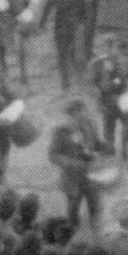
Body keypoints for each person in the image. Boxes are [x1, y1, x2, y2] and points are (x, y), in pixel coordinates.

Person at [49, 98, 107, 232]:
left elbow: (97, 143)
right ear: (73, 114)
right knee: (73, 212)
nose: (87, 114)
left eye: (86, 111)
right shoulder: (61, 131)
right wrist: (72, 164)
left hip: (91, 176)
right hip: (72, 179)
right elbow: (52, 155)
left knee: (96, 209)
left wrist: (104, 147)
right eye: (83, 112)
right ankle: (72, 237)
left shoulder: (90, 125)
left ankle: (96, 238)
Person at [89, 35, 128, 162]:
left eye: (113, 45)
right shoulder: (97, 63)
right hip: (107, 100)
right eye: (107, 45)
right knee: (109, 131)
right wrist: (97, 94)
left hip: (123, 99)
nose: (110, 48)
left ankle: (125, 151)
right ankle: (110, 157)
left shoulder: (125, 61)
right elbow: (90, 83)